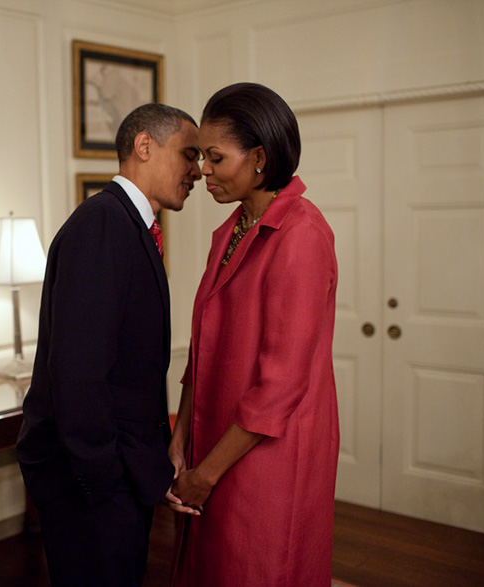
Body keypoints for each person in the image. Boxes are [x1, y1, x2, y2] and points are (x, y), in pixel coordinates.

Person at [16, 103, 202, 587]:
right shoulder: (102, 224)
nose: (198, 171)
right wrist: (104, 479)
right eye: (189, 154)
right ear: (145, 146)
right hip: (93, 484)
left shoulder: (129, 226)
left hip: (119, 474)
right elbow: (78, 371)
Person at [167, 82, 339, 586]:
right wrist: (181, 440)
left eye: (216, 158)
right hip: (218, 437)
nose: (203, 171)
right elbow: (202, 349)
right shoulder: (236, 226)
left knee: (259, 566)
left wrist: (205, 474)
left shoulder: (301, 235)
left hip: (269, 453)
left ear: (260, 158)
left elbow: (280, 385)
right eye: (201, 157)